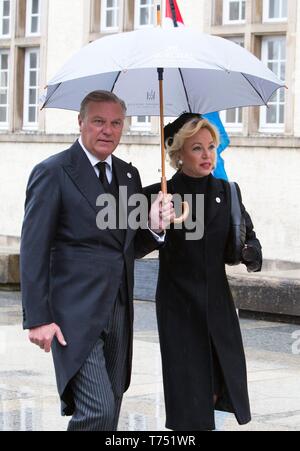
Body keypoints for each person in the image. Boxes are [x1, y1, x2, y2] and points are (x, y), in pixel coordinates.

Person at [20, 90, 174, 431]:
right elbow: (33, 249)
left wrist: (154, 226)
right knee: (97, 411)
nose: (108, 130)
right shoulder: (53, 172)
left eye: (116, 123)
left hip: (119, 310)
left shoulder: (128, 175)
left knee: (112, 408)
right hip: (73, 313)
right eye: (99, 121)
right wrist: (37, 318)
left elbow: (126, 246)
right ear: (81, 122)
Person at [144, 113, 262, 431]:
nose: (207, 155)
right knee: (189, 398)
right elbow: (131, 247)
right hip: (179, 308)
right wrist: (155, 224)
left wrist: (250, 252)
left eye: (211, 147)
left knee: (215, 389)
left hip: (217, 306)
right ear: (178, 153)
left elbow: (247, 240)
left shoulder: (228, 192)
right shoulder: (159, 195)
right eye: (197, 148)